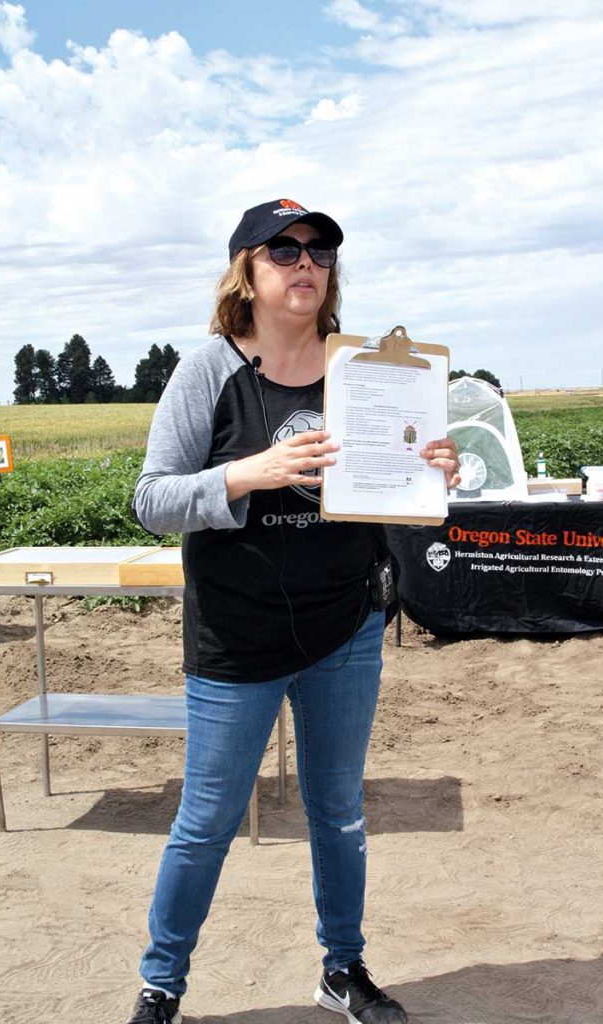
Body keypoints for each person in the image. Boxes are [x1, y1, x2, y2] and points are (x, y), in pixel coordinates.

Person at [127, 198, 460, 1024]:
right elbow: (151, 500)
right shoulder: (208, 370)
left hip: (345, 626)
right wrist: (251, 471)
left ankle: (341, 968)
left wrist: (432, 472)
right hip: (236, 634)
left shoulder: (364, 369)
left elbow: (399, 492)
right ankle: (161, 985)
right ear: (246, 270)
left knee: (337, 813)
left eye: (317, 250)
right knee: (205, 822)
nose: (304, 262)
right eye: (283, 250)